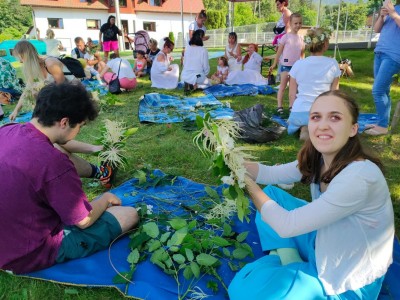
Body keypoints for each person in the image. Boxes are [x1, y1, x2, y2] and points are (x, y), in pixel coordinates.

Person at [229, 90, 394, 299]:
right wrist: (229, 158)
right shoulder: (319, 158)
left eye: (335, 117)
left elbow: (287, 225)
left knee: (243, 291)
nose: (323, 125)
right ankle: (292, 264)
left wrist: (249, 185)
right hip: (324, 238)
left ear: (353, 129)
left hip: (345, 278)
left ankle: (288, 263)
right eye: (316, 117)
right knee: (272, 195)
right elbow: (269, 173)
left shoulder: (359, 176)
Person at [0, 82, 139, 274]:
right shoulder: (54, 163)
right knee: (129, 214)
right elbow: (83, 221)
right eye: (80, 126)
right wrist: (105, 199)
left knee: (57, 147)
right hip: (26, 253)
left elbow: (57, 146)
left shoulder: (7, 130)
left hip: (7, 235)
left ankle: (100, 173)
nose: (79, 132)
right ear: (64, 122)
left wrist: (93, 149)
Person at [288, 27, 341, 140]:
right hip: (322, 111)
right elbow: (335, 92)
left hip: (300, 111)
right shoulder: (332, 63)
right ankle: (317, 128)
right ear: (325, 44)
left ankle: (305, 127)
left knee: (304, 118)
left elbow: (292, 93)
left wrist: (292, 109)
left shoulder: (298, 64)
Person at [9, 40, 78, 121]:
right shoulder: (34, 69)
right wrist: (15, 111)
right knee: (34, 91)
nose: (20, 62)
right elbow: (26, 91)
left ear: (24, 55)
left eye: (20, 59)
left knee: (38, 93)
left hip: (73, 94)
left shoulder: (50, 63)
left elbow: (62, 88)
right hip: (59, 97)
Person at [366, 0, 400, 136]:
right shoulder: (394, 7)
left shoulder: (394, 10)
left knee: (378, 91)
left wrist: (392, 13)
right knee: (384, 91)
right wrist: (381, 16)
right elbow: (377, 29)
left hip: (393, 56)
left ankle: (382, 126)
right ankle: (382, 122)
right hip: (380, 52)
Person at [269, 13, 305, 114]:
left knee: (293, 88)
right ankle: (279, 106)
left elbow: (302, 53)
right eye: (295, 23)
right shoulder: (286, 37)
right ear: (290, 23)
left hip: (296, 67)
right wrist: (274, 64)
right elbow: (279, 52)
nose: (298, 25)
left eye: (300, 23)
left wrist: (303, 64)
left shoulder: (301, 38)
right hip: (285, 66)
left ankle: (291, 106)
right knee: (283, 86)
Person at [181, 29, 210, 94]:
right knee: (209, 83)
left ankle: (190, 84)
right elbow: (206, 67)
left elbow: (184, 63)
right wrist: (206, 75)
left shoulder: (187, 48)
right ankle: (196, 86)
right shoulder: (203, 50)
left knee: (198, 77)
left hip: (185, 76)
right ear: (201, 38)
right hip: (197, 76)